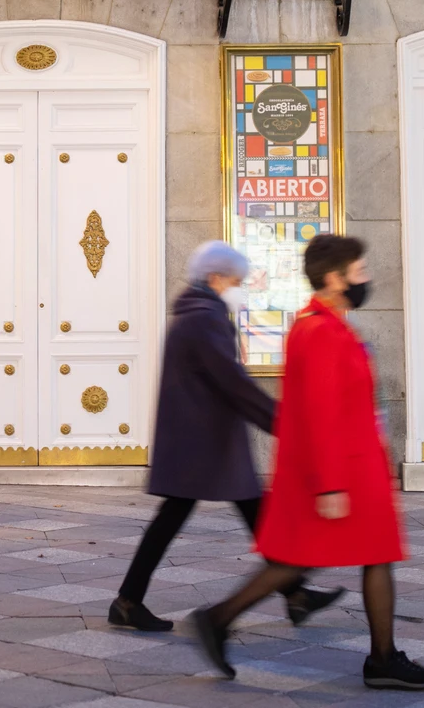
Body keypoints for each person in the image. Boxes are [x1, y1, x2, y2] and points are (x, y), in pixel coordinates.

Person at [189, 234, 424, 691]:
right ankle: (220, 618)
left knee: (338, 558)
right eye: (359, 271)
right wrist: (330, 485)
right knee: (306, 560)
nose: (366, 278)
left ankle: (381, 656)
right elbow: (322, 411)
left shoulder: (332, 324)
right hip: (341, 472)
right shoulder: (319, 330)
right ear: (334, 277)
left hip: (356, 467)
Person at [108, 241, 342, 633]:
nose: (240, 288)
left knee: (245, 511)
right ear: (215, 278)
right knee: (206, 514)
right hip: (204, 441)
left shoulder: (198, 313)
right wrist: (283, 422)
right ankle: (129, 601)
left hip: (203, 438)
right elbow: (232, 381)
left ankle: (295, 592)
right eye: (236, 281)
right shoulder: (204, 318)